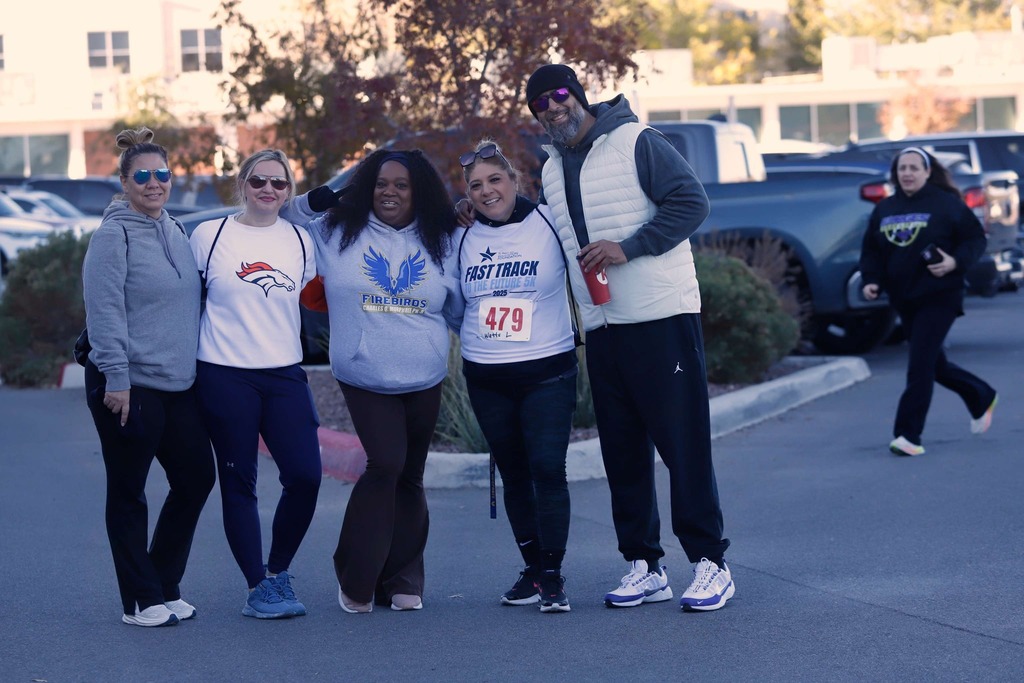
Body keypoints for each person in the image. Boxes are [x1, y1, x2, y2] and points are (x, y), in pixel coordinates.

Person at [524, 63, 734, 611]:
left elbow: (692, 203)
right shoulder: (551, 167)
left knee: (682, 445)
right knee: (623, 453)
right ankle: (645, 564)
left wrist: (629, 246)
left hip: (660, 315)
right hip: (604, 326)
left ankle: (712, 563)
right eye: (540, 103)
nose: (553, 107)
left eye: (561, 94)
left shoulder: (636, 141)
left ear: (581, 95)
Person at [295, 149, 463, 614]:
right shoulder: (333, 232)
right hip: (364, 372)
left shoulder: (443, 240)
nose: (389, 192)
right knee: (386, 463)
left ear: (419, 192)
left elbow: (457, 310)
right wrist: (319, 198)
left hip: (424, 374)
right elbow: (281, 218)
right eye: (380, 183)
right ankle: (357, 576)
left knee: (410, 475)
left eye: (401, 185)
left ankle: (403, 578)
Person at [81, 127, 215, 627]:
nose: (155, 183)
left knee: (197, 477)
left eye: (162, 174)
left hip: (177, 385)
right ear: (124, 180)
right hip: (127, 385)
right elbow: (105, 311)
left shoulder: (176, 230)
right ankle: (139, 600)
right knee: (129, 491)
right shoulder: (111, 236)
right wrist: (116, 378)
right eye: (143, 175)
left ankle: (162, 582)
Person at [189, 149, 321, 619]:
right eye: (259, 181)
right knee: (239, 480)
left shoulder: (302, 241)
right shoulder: (210, 235)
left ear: (289, 190)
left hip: (284, 373)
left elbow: (312, 297)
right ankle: (257, 585)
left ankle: (278, 569)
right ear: (242, 184)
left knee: (305, 476)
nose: (269, 190)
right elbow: (186, 301)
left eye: (280, 184)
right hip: (224, 374)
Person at [457, 140, 578, 613]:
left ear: (514, 181)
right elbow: (452, 300)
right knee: (513, 473)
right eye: (475, 186)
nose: (487, 192)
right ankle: (530, 569)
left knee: (548, 468)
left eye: (495, 180)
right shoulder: (460, 235)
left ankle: (552, 574)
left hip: (548, 371)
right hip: (486, 376)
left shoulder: (549, 220)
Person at [860, 147, 998, 456]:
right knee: (934, 363)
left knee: (919, 364)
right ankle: (981, 395)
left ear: (926, 172)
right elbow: (872, 251)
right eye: (902, 168)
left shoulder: (946, 204)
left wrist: (954, 262)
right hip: (905, 299)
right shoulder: (885, 209)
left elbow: (976, 239)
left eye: (913, 168)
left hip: (940, 296)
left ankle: (908, 435)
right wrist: (872, 280)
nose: (907, 173)